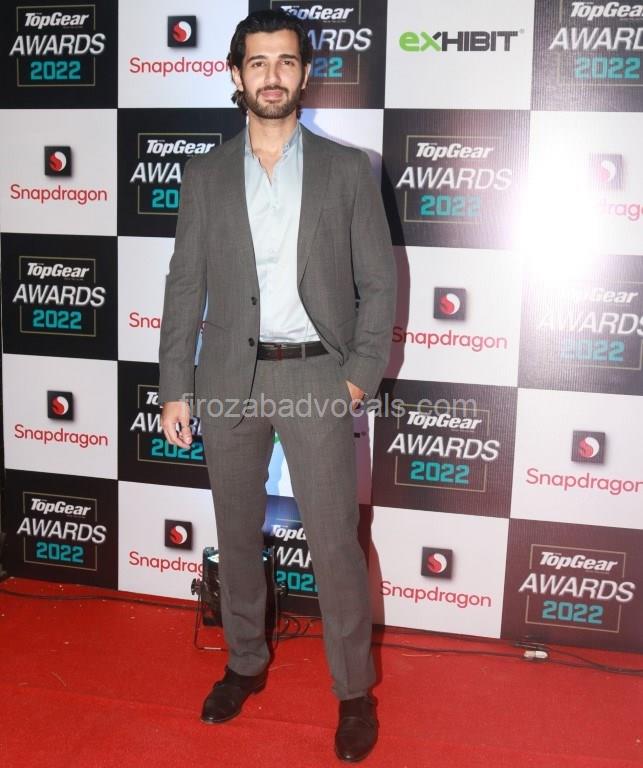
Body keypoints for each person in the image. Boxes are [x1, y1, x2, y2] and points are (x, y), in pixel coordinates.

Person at [159, 9, 395, 763]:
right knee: (236, 533)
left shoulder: (346, 170)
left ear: (304, 73)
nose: (272, 76)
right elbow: (183, 287)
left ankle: (353, 692)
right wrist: (174, 386)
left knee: (333, 542)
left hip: (318, 377)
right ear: (236, 74)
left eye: (285, 62)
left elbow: (378, 283)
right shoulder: (203, 176)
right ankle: (243, 662)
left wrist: (357, 377)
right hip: (228, 377)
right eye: (257, 62)